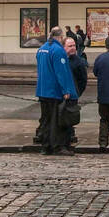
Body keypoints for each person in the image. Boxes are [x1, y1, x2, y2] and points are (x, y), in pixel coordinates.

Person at [34, 26, 77, 156]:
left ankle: (45, 146)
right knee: (56, 121)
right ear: (60, 37)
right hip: (54, 91)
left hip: (42, 90)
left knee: (45, 120)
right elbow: (61, 73)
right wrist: (66, 90)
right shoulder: (58, 51)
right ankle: (57, 146)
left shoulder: (41, 49)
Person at [64, 35, 89, 151]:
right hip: (60, 95)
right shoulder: (61, 59)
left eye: (74, 45)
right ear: (64, 47)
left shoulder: (78, 61)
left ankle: (68, 139)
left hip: (73, 95)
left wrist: (77, 92)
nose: (73, 48)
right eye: (70, 46)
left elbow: (83, 80)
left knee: (70, 119)